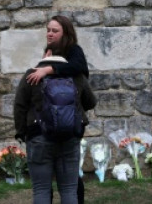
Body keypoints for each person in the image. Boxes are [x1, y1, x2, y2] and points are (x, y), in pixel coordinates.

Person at [14, 18, 96, 204]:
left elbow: (20, 106)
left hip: (38, 137)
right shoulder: (77, 76)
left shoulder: (32, 74)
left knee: (41, 190)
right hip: (69, 137)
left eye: (54, 31)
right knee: (69, 190)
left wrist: (22, 133)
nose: (49, 33)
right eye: (48, 30)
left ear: (46, 54)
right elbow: (91, 102)